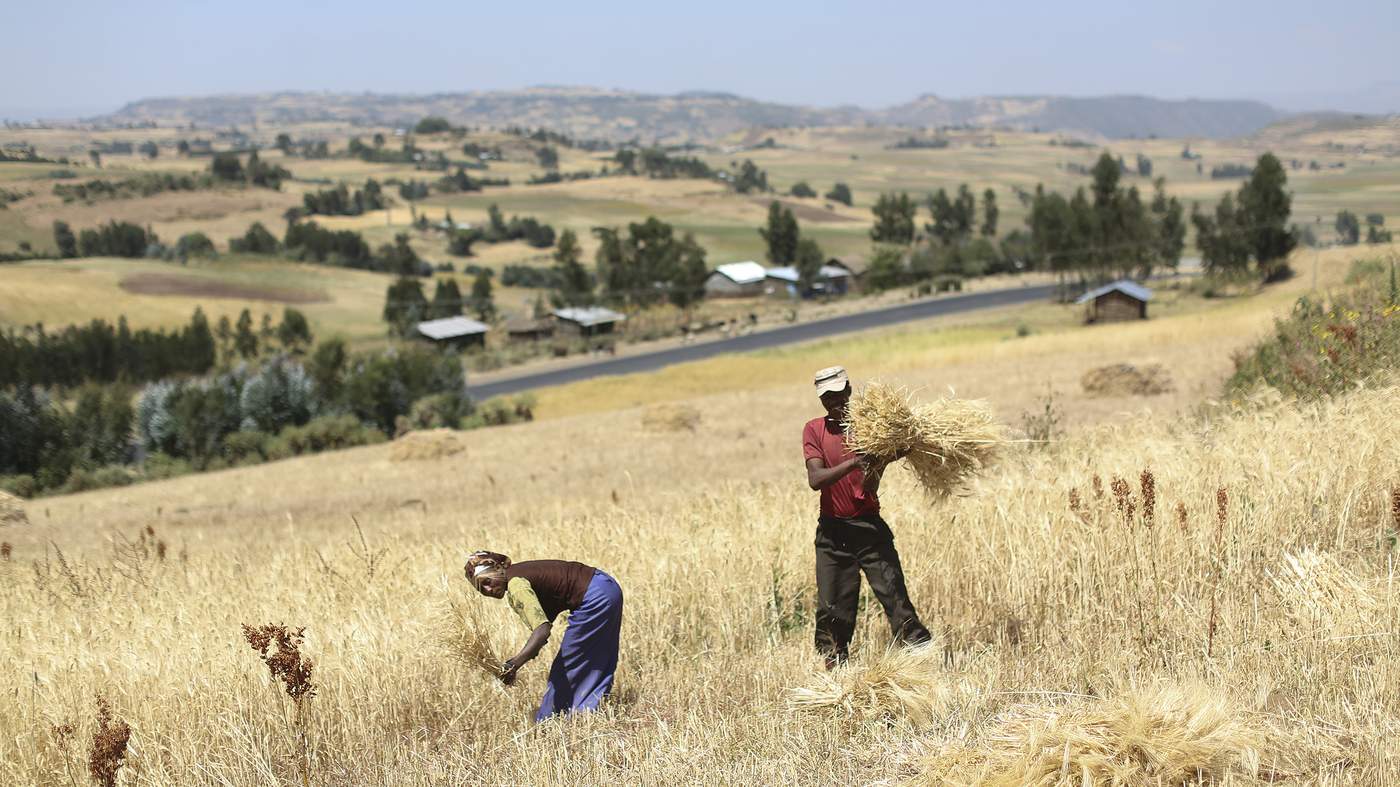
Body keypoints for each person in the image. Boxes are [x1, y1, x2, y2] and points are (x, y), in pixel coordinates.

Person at [802, 366, 931, 669]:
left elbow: (893, 457)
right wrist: (852, 464)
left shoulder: (871, 428)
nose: (835, 402)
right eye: (828, 398)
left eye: (839, 394)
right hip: (833, 534)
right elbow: (815, 478)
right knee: (833, 608)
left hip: (868, 527)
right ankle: (835, 671)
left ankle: (925, 659)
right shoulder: (814, 430)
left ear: (849, 389)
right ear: (821, 400)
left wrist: (888, 454)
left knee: (895, 598)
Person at [465, 551, 624, 722]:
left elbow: (542, 630)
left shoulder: (516, 585)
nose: (488, 590)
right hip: (607, 586)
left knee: (566, 668)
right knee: (596, 655)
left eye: (487, 582)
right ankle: (586, 712)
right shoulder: (519, 572)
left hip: (594, 597)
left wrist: (513, 665)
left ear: (497, 568)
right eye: (481, 589)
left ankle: (551, 720)